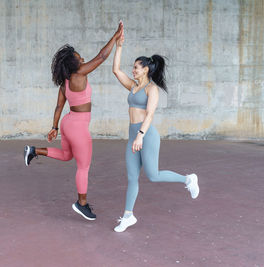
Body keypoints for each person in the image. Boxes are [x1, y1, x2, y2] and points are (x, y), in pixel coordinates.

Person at [24, 22, 124, 221]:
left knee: (67, 155)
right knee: (83, 167)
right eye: (79, 57)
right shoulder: (79, 74)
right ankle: (82, 203)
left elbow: (59, 107)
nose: (82, 58)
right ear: (73, 63)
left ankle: (34, 151)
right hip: (78, 126)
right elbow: (102, 56)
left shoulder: (65, 82)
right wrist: (115, 36)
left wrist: (54, 127)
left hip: (67, 123)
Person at [112, 27, 199, 232]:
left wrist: (140, 136)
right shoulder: (133, 86)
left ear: (146, 69)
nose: (132, 70)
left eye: (136, 67)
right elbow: (116, 70)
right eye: (133, 67)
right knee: (132, 177)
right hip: (133, 135)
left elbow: (150, 115)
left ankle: (188, 179)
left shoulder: (153, 89)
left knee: (153, 175)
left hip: (147, 135)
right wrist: (119, 47)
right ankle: (128, 216)